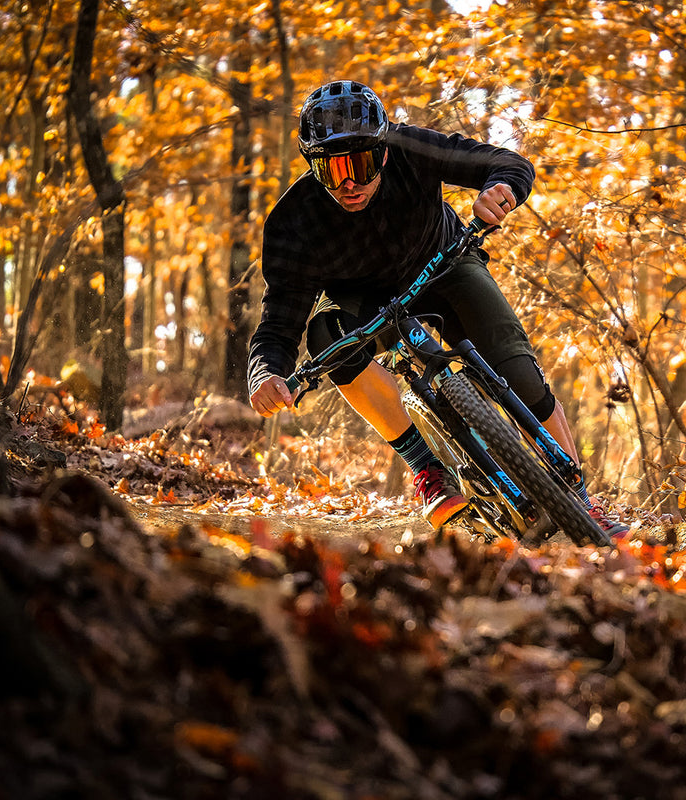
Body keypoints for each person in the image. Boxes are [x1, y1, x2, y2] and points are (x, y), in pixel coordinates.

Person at [247, 80, 628, 537]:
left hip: (444, 263)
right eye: (333, 171)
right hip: (365, 301)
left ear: (384, 152)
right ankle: (427, 468)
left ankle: (579, 499)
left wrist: (499, 189)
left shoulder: (410, 147)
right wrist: (265, 372)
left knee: (517, 368)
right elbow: (278, 323)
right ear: (312, 167)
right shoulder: (292, 224)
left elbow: (507, 163)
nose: (350, 183)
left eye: (362, 165)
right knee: (325, 335)